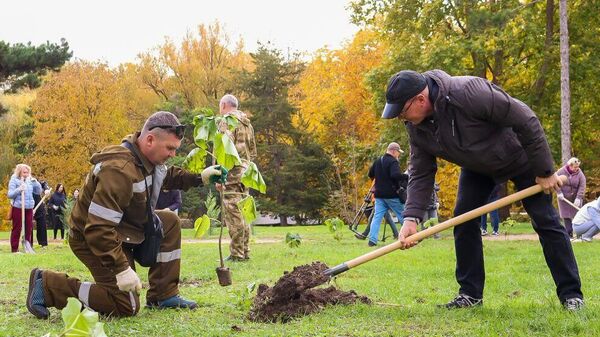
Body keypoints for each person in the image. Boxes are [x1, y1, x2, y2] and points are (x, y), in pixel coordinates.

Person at [382, 69, 583, 310]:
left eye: (402, 112)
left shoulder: (468, 92)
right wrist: (411, 217)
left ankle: (572, 295)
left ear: (420, 100)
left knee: (546, 221)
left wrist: (545, 171)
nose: (402, 119)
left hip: (520, 158)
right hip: (477, 167)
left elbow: (525, 118)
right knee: (463, 221)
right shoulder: (417, 126)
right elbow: (421, 171)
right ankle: (470, 295)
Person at [25, 111, 223, 319]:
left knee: (170, 222)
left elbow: (165, 177)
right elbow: (98, 228)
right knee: (125, 306)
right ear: (149, 140)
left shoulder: (145, 160)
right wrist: (121, 269)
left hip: (123, 230)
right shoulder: (119, 170)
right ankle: (48, 285)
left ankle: (163, 295)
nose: (173, 154)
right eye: (170, 148)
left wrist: (200, 177)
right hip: (92, 238)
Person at [216, 94, 257, 262]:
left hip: (231, 174)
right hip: (246, 173)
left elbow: (223, 150)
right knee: (243, 212)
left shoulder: (226, 121)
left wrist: (220, 176)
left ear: (224, 105)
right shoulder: (247, 123)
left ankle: (237, 254)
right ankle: (245, 251)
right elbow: (253, 151)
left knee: (233, 215)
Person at [366, 142, 407, 246]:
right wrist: (406, 177)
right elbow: (395, 175)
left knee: (377, 217)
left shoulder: (378, 161)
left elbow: (370, 174)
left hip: (379, 194)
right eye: (398, 152)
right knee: (403, 215)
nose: (398, 154)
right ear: (393, 151)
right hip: (392, 194)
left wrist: (379, 181)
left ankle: (372, 240)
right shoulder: (393, 161)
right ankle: (410, 236)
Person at [7, 164, 43, 253]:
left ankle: (28, 246)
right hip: (18, 207)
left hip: (29, 207)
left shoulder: (29, 180)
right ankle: (15, 249)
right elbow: (10, 194)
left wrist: (36, 183)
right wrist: (19, 189)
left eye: (27, 172)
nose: (26, 174)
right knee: (17, 228)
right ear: (19, 172)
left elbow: (38, 191)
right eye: (24, 172)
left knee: (29, 228)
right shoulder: (14, 180)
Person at [556, 157, 586, 238]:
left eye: (578, 167)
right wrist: (559, 192)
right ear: (570, 166)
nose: (577, 169)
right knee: (566, 216)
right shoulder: (561, 171)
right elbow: (555, 182)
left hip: (575, 197)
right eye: (575, 167)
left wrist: (579, 198)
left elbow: (582, 185)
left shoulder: (580, 173)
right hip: (563, 198)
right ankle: (569, 234)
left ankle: (579, 233)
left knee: (578, 215)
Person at [33, 180, 50, 247]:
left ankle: (43, 243)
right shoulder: (21, 182)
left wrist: (46, 189)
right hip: (27, 205)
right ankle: (29, 243)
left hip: (38, 204)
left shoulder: (34, 181)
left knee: (42, 223)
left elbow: (44, 183)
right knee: (28, 225)